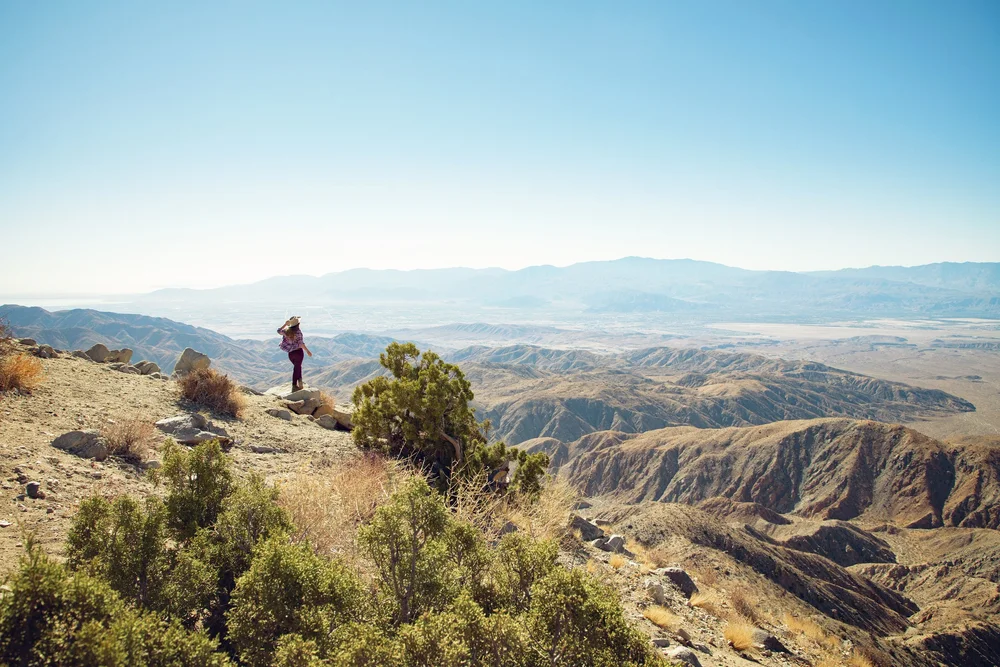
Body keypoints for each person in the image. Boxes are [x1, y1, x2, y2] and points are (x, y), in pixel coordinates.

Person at [278, 316, 311, 391]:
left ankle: (300, 383)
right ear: (298, 324)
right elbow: (301, 344)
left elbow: (279, 331)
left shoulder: (286, 331)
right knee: (297, 368)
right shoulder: (298, 332)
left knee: (297, 367)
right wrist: (307, 351)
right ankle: (294, 385)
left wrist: (285, 324)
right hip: (298, 352)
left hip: (290, 354)